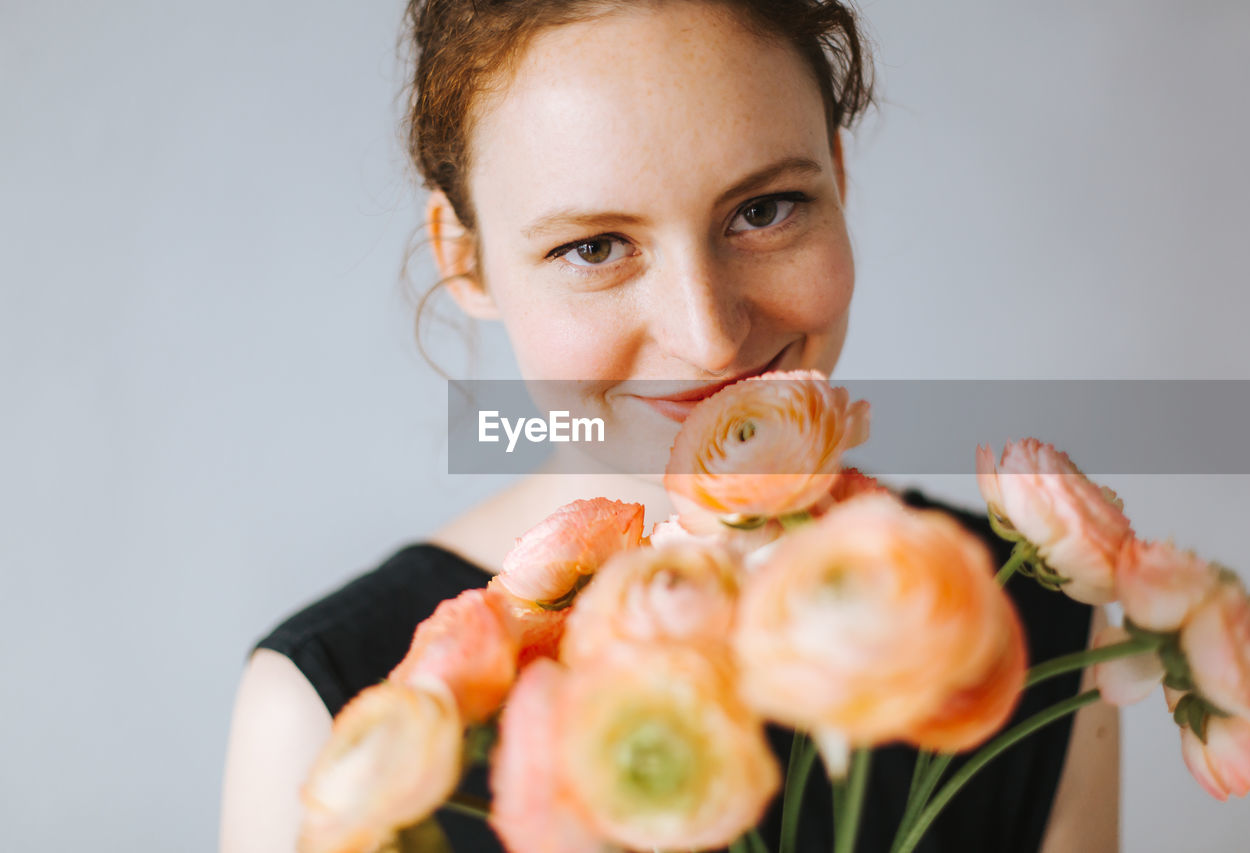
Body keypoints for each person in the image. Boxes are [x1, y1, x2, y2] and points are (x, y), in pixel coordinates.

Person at [218, 1, 1119, 851]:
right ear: (468, 257)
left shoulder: (1039, 638)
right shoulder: (325, 711)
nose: (708, 336)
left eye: (764, 210)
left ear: (839, 178)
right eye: (595, 248)